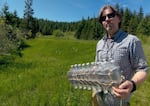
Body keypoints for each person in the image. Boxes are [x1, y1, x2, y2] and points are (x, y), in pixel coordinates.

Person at [92, 5, 149, 106]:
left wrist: (132, 84)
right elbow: (96, 67)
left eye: (110, 15)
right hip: (100, 100)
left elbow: (143, 70)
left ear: (119, 18)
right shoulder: (99, 43)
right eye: (103, 18)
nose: (107, 19)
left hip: (119, 102)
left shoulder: (131, 41)